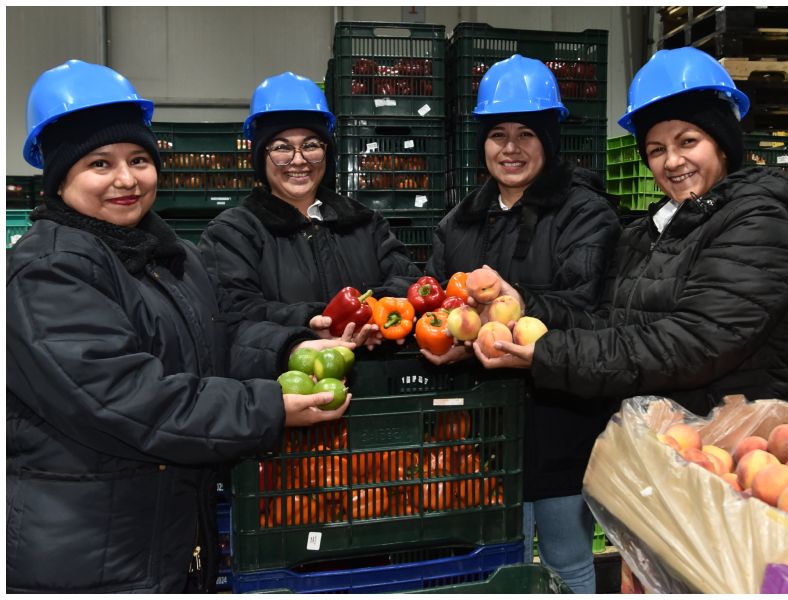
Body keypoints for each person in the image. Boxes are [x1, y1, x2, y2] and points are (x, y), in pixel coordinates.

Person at [6, 60, 353, 594]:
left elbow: (217, 340)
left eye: (139, 159)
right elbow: (122, 398)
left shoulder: (171, 258)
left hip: (161, 533)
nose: (126, 179)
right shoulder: (47, 270)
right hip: (89, 551)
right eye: (99, 163)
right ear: (60, 176)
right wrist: (264, 408)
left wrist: (292, 347)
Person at [475, 48, 788, 449]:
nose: (673, 161)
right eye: (657, 149)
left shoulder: (759, 221)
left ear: (723, 144)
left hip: (735, 454)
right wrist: (524, 306)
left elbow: (693, 343)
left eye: (688, 141)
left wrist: (550, 354)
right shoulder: (649, 233)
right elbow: (610, 324)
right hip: (667, 448)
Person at [423, 54, 621, 593]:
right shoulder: (458, 221)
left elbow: (589, 306)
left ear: (550, 139)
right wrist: (446, 336)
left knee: (565, 554)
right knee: (497, 557)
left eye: (527, 133)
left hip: (560, 413)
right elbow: (436, 303)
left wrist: (522, 305)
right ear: (482, 143)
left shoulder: (586, 212)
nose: (510, 148)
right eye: (498, 134)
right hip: (481, 421)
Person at [199, 71, 422, 345]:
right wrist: (309, 321)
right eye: (282, 148)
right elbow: (235, 312)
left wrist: (368, 313)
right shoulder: (233, 233)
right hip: (292, 382)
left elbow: (409, 282)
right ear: (260, 156)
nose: (299, 160)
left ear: (326, 152)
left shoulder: (364, 222)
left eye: (311, 145)